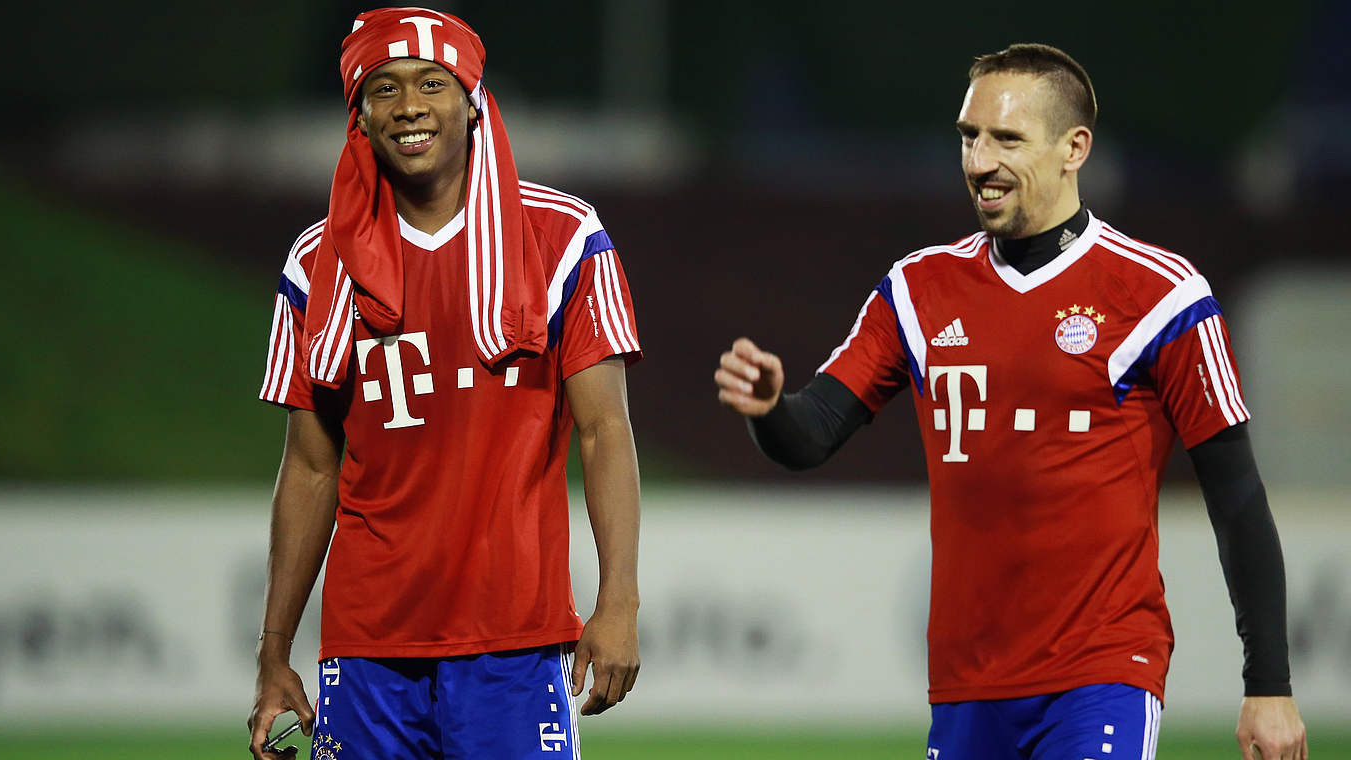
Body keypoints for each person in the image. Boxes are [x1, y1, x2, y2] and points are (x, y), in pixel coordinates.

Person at [715, 43, 1307, 760]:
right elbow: (810, 436)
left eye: (1006, 139)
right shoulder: (917, 290)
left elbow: (1237, 495)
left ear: (1073, 149)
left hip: (1103, 672)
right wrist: (771, 408)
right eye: (969, 137)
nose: (979, 162)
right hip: (967, 685)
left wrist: (1268, 682)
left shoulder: (1162, 297)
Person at [247, 8, 642, 759]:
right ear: (359, 114)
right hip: (366, 649)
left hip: (514, 643)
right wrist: (272, 651)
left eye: (432, 82)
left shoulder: (564, 238)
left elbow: (606, 429)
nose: (409, 107)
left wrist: (617, 599)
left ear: (472, 98)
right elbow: (308, 465)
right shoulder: (316, 263)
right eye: (383, 87)